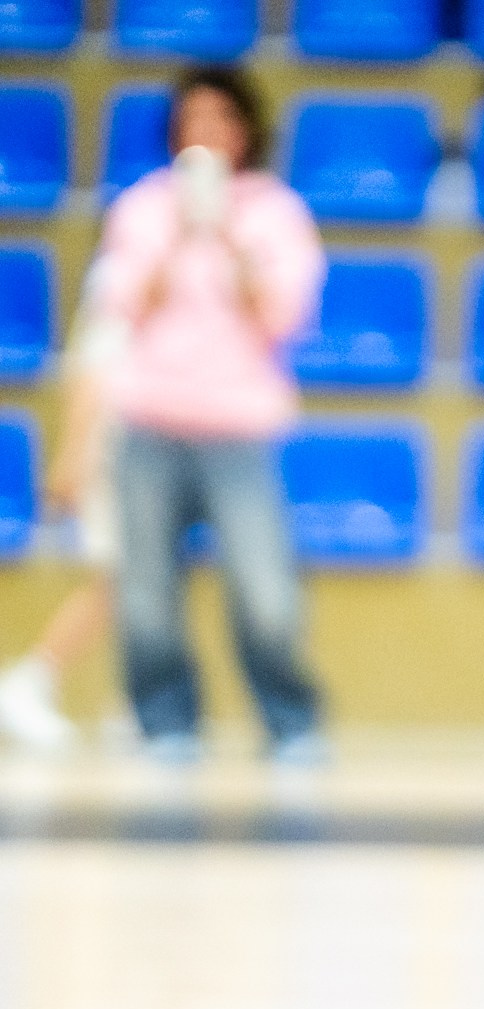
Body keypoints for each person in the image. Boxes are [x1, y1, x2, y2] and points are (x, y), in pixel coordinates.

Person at [90, 67, 327, 764]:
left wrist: (224, 234)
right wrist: (178, 233)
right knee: (146, 596)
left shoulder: (276, 213)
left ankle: (292, 722)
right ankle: (166, 724)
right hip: (149, 420)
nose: (208, 133)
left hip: (239, 427)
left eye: (222, 119)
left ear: (246, 129)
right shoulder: (141, 208)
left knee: (265, 594)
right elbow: (123, 306)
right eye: (194, 119)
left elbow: (282, 317)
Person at [0, 263, 124, 750]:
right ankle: (32, 679)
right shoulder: (121, 280)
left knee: (139, 582)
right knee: (120, 577)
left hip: (159, 448)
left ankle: (131, 703)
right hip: (115, 450)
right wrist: (74, 455)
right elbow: (89, 377)